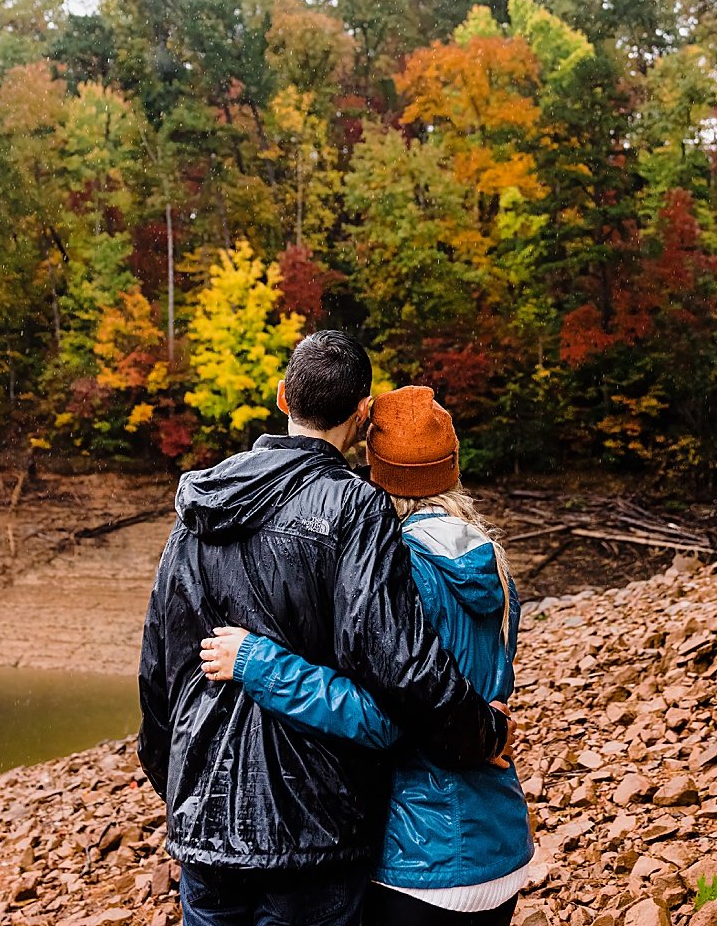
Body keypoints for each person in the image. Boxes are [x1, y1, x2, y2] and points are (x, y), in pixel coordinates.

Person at [138, 333, 512, 926]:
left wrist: (186, 790)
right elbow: (400, 667)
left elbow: (160, 680)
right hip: (315, 828)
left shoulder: (198, 508)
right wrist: (484, 731)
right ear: (361, 414)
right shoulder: (355, 510)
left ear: (283, 395)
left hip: (204, 826)